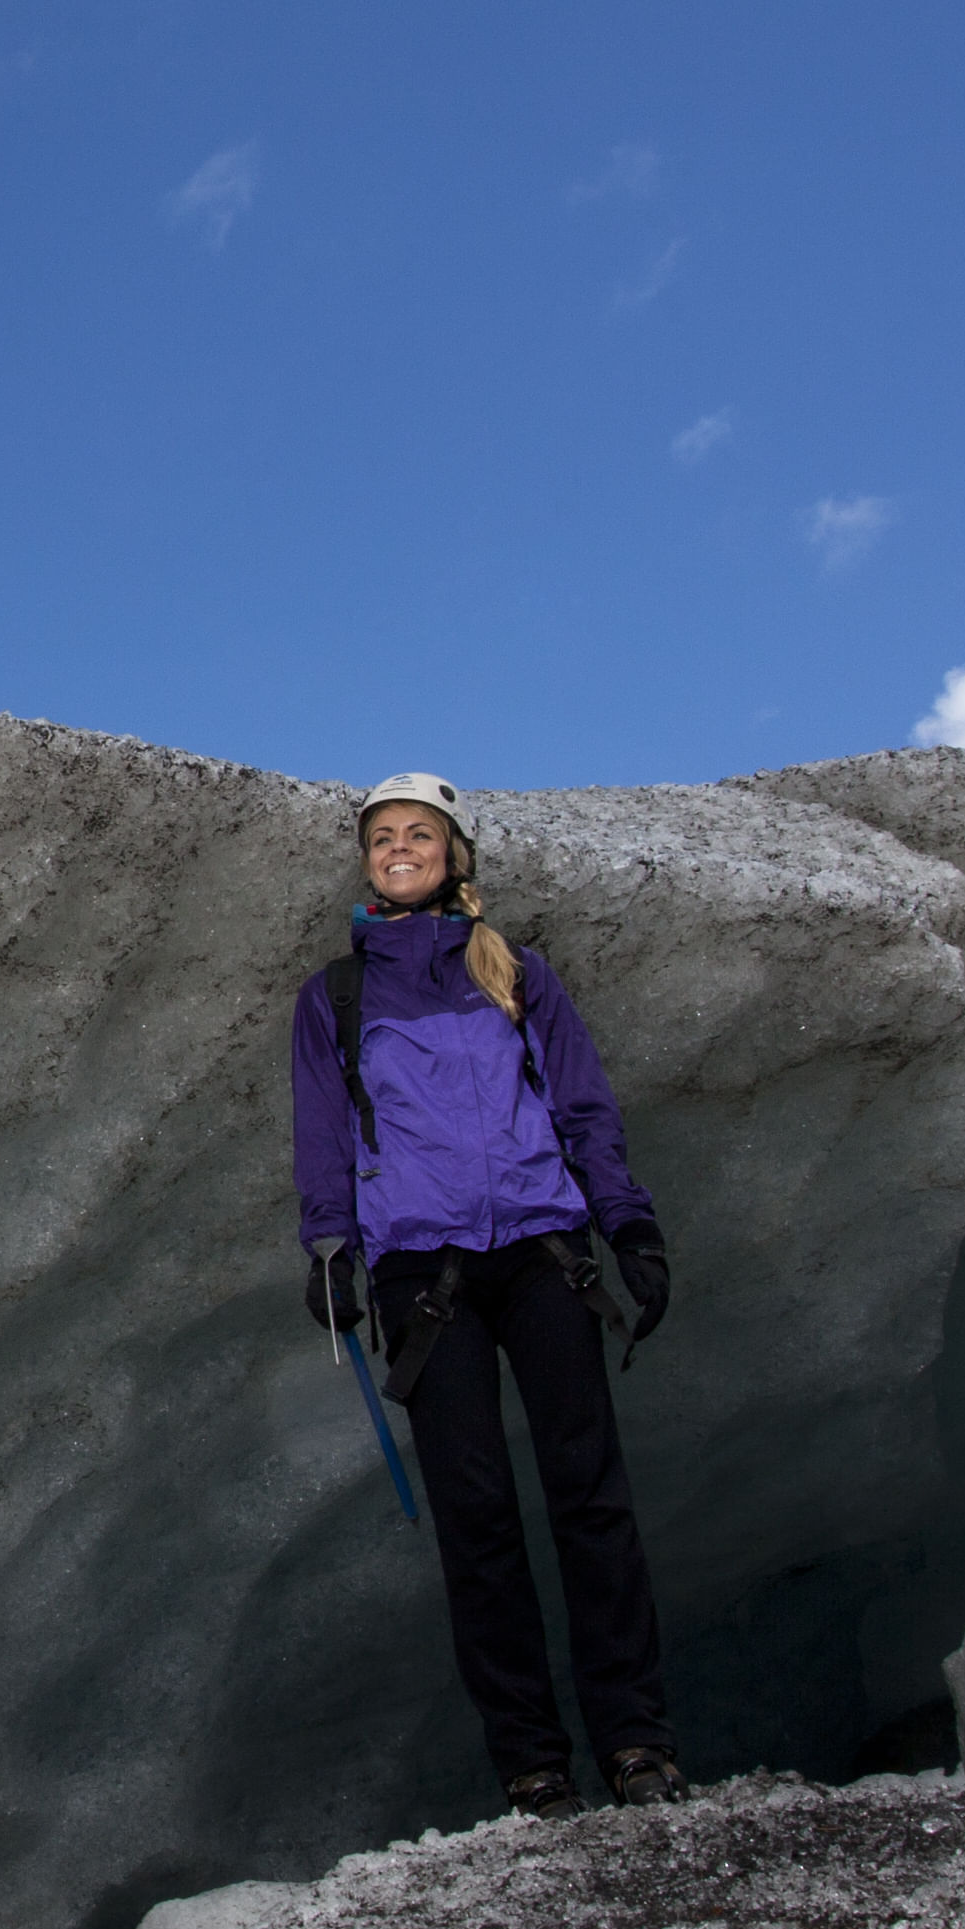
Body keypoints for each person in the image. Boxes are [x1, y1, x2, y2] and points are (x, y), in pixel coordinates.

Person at [289, 776, 683, 1814]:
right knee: (478, 1519)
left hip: (547, 1251)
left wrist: (628, 1224)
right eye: (382, 837)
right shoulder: (338, 994)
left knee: (591, 1499)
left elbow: (583, 1102)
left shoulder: (514, 972)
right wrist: (329, 1246)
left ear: (454, 854)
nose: (399, 847)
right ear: (367, 860)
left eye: (419, 833)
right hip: (426, 1271)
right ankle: (534, 1763)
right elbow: (324, 1129)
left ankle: (636, 1743)